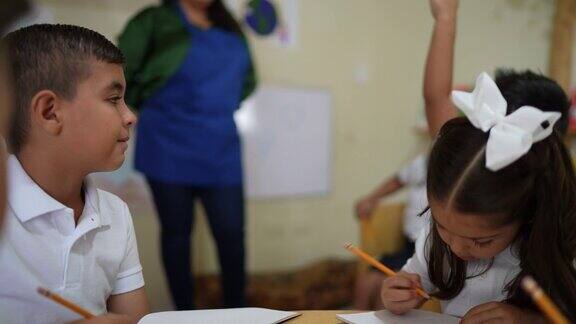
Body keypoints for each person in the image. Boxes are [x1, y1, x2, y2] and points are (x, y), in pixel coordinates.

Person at [380, 72, 576, 322]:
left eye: (481, 241)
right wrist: (397, 294)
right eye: (442, 227)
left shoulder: (563, 246)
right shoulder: (440, 240)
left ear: (529, 214)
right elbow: (408, 282)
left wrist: (529, 319)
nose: (458, 248)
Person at [0, 24, 149, 323]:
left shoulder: (115, 214)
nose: (130, 116)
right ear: (49, 112)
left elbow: (136, 319)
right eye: (113, 99)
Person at [118, 0, 256, 309]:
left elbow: (249, 81)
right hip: (168, 144)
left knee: (232, 236)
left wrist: (214, 107)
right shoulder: (154, 21)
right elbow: (119, 71)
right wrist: (152, 105)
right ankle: (185, 314)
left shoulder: (231, 27)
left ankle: (239, 312)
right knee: (177, 236)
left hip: (221, 148)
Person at [353, 154, 428, 310]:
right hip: (409, 244)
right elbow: (398, 180)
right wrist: (371, 198)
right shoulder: (424, 161)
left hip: (428, 249)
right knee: (367, 280)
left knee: (391, 289)